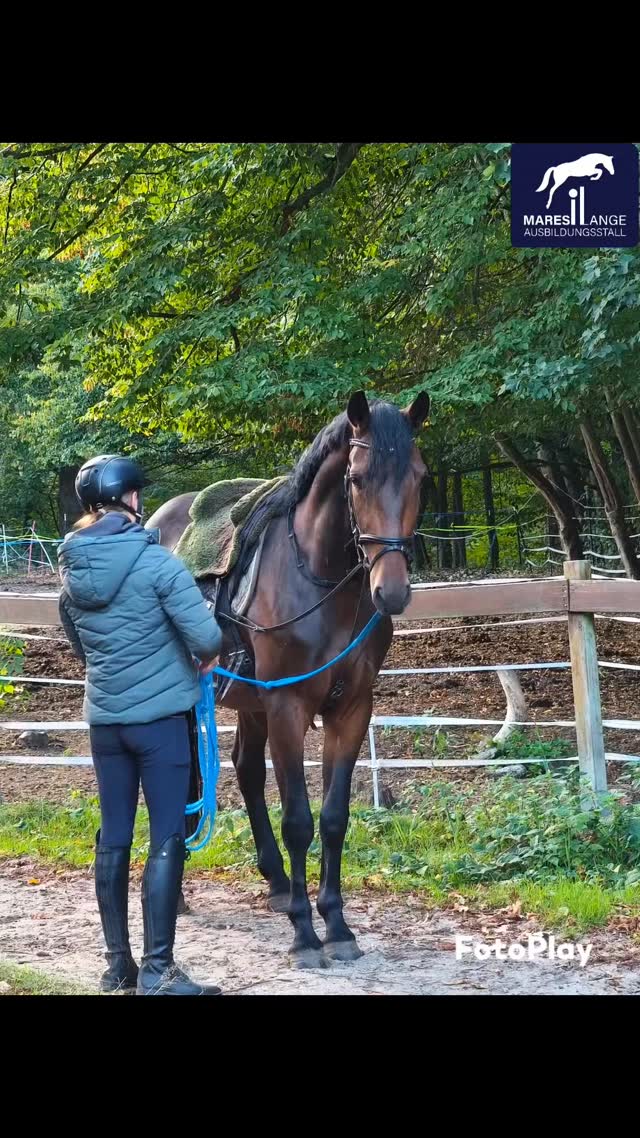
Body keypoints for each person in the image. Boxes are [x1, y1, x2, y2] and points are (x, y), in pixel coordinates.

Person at [57, 454, 223, 996]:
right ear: (131, 499)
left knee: (114, 839)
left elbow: (83, 648)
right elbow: (207, 640)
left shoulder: (71, 573)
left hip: (106, 725)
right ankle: (159, 970)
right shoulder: (159, 565)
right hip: (159, 726)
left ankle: (117, 967)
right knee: (166, 836)